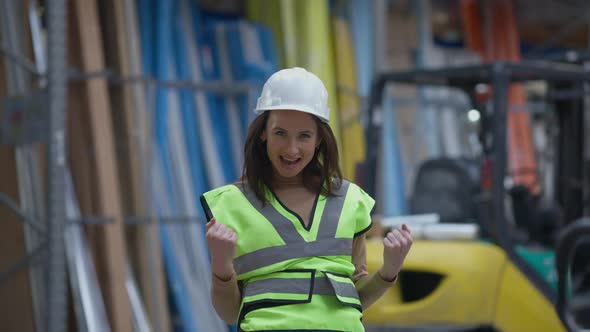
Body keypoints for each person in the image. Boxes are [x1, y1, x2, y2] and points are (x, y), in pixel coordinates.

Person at [200, 67, 412, 332]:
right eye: (280, 133)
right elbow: (230, 313)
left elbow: (354, 298)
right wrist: (221, 264)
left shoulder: (349, 201)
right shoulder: (231, 205)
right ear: (263, 132)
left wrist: (390, 270)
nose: (291, 149)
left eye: (304, 136)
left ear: (320, 139)